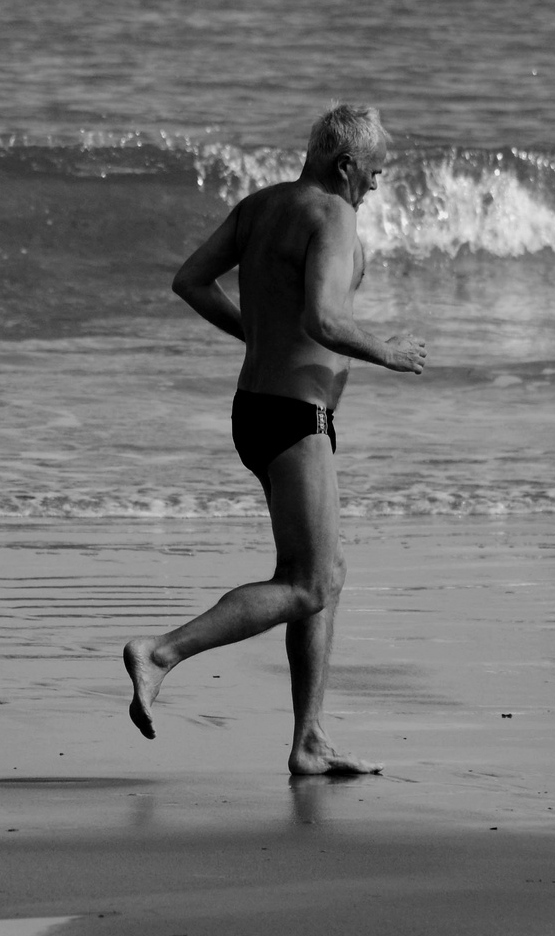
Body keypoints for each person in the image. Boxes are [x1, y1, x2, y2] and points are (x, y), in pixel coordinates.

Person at [122, 104, 427, 775]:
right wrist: (389, 351)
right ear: (345, 166)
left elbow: (189, 281)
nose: (376, 184)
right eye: (374, 172)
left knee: (325, 575)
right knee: (306, 583)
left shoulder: (259, 206)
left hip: (256, 409)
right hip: (293, 416)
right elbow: (323, 318)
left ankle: (309, 741)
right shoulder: (333, 216)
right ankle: (161, 653)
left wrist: (254, 335)